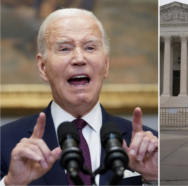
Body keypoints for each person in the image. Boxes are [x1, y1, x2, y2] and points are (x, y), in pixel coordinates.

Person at [0, 8, 158, 186]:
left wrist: (154, 178)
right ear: (43, 67)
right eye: (65, 48)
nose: (79, 58)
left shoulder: (150, 149)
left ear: (106, 64)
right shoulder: (4, 145)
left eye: (90, 47)